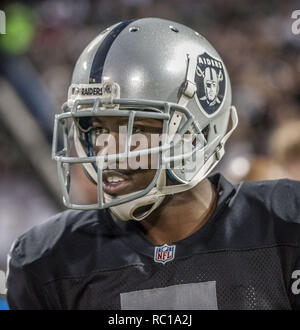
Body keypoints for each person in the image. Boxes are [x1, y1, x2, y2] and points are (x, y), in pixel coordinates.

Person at [6, 18, 300, 310]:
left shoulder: (286, 225)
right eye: (95, 127)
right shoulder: (47, 259)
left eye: (131, 127)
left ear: (197, 131)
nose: (106, 149)